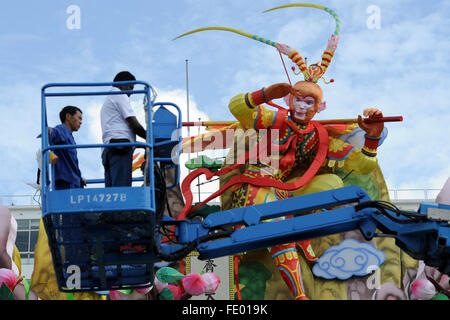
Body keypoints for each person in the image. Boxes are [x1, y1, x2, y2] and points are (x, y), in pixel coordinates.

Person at [101, 71, 146, 187]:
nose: (131, 92)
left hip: (109, 148)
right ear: (122, 83)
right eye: (130, 87)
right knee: (122, 189)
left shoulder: (109, 97)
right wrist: (150, 138)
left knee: (112, 193)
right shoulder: (119, 95)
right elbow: (134, 124)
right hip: (119, 147)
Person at [50, 106, 86, 190]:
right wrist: (49, 131)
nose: (81, 122)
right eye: (79, 118)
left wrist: (79, 178)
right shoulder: (62, 129)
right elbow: (54, 133)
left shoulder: (70, 136)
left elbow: (71, 162)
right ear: (68, 117)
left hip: (73, 181)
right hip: (66, 183)